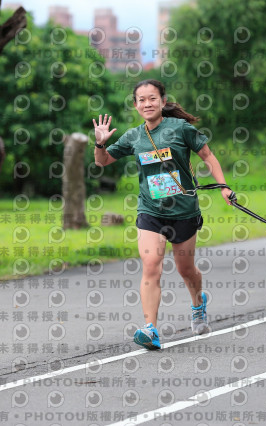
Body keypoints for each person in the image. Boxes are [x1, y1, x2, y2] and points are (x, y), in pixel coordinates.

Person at [92, 79, 232, 349]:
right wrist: (99, 143)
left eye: (152, 98)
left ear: (163, 101)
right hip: (150, 211)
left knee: (186, 270)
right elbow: (102, 161)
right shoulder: (134, 136)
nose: (147, 103)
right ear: (135, 105)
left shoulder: (180, 129)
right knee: (151, 266)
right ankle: (150, 328)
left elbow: (208, 157)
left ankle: (197, 303)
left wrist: (224, 186)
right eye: (141, 100)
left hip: (183, 212)